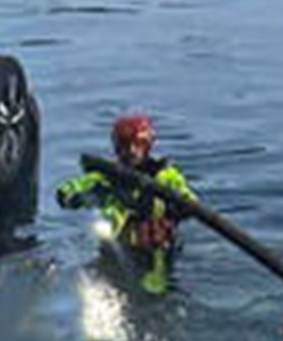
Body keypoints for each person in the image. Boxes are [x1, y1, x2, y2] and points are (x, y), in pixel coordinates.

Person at [55, 113, 197, 293]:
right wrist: (70, 194)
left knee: (152, 291)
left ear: (147, 146)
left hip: (155, 255)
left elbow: (188, 198)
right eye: (125, 146)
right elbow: (78, 186)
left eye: (138, 145)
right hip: (115, 251)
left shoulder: (166, 177)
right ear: (116, 148)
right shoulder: (107, 178)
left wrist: (181, 207)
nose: (131, 151)